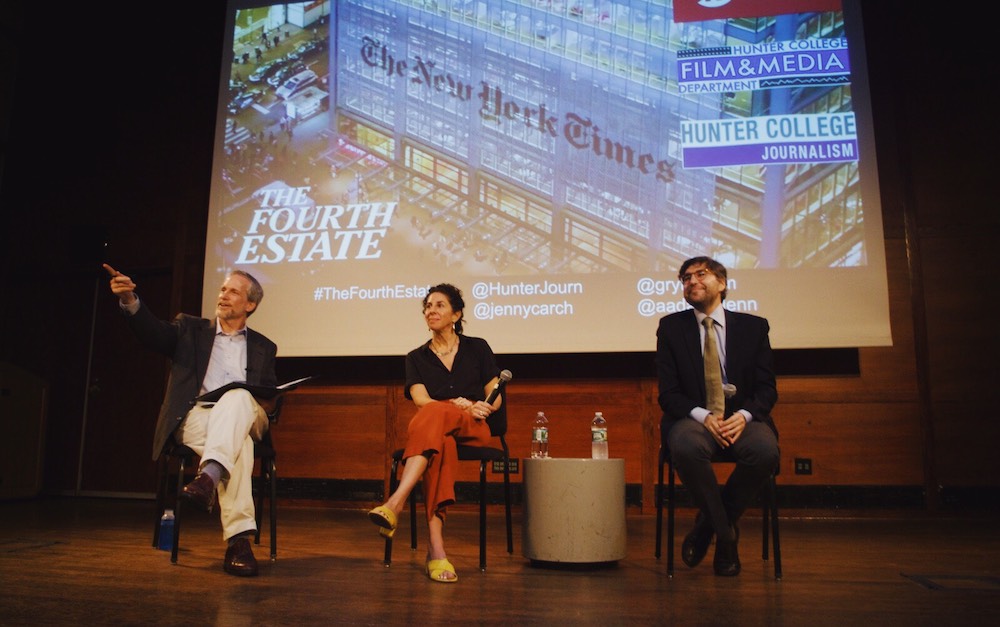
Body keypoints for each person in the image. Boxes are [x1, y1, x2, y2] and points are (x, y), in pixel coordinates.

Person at [103, 263, 277, 577]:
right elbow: (153, 334)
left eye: (233, 291)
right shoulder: (190, 329)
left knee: (237, 398)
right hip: (196, 417)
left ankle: (207, 478)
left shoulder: (264, 346)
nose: (223, 295)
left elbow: (270, 400)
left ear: (250, 304)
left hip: (248, 415)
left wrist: (268, 398)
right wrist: (130, 299)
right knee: (241, 449)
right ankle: (238, 543)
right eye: (223, 289)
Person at [367, 283, 503, 583]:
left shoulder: (477, 347)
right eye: (427, 306)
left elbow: (496, 394)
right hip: (436, 427)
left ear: (456, 314)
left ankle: (395, 501)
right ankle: (437, 550)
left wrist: (480, 407)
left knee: (433, 417)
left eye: (439, 305)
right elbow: (420, 399)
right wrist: (449, 408)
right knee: (440, 443)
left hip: (473, 426)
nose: (431, 310)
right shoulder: (416, 357)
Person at [655, 256, 779, 577]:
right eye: (685, 278)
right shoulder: (671, 328)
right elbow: (668, 394)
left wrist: (746, 416)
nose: (691, 281)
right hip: (694, 420)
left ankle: (708, 526)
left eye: (701, 274)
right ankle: (726, 537)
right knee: (684, 447)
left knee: (765, 451)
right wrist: (703, 416)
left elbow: (767, 390)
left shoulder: (754, 328)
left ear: (722, 284)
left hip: (742, 418)